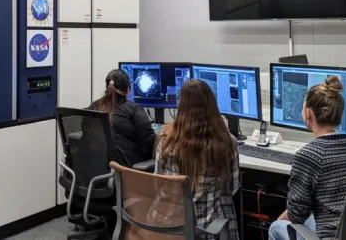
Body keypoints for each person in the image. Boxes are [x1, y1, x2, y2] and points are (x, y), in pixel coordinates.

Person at [269, 75, 346, 240]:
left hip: (332, 236)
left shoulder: (308, 155)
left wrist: (279, 219)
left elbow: (297, 215)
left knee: (275, 227)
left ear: (308, 114)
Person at [154, 79, 240, 240]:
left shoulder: (165, 139)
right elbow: (231, 188)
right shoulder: (227, 142)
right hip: (206, 230)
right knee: (226, 205)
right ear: (212, 106)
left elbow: (158, 183)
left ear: (181, 106)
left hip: (167, 226)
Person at [89, 69, 156, 167]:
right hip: (125, 171)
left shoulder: (94, 106)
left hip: (97, 170)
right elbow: (151, 142)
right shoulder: (134, 109)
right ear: (128, 89)